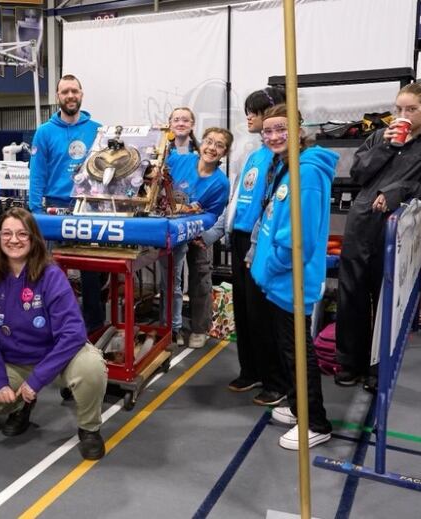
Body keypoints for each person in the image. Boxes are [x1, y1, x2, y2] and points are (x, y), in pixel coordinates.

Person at [0, 207, 108, 460]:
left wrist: (37, 379)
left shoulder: (50, 275)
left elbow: (73, 333)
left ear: (34, 238)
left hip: (58, 358)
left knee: (91, 367)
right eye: (7, 234)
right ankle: (21, 404)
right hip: (15, 360)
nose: (14, 240)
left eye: (22, 234)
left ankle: (89, 428)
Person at [336, 83, 421, 391]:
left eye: (410, 109)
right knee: (352, 293)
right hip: (362, 221)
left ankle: (377, 367)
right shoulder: (379, 136)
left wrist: (397, 193)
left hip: (396, 228)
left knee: (385, 297)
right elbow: (358, 175)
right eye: (399, 109)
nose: (403, 115)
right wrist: (385, 146)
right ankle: (350, 361)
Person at [249, 104, 338, 450]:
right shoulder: (288, 166)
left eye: (280, 129)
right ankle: (297, 403)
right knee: (287, 349)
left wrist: (270, 266)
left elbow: (296, 240)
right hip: (276, 278)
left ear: (299, 130)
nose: (272, 136)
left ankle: (315, 420)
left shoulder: (307, 173)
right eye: (267, 131)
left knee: (298, 350)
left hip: (290, 279)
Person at [200, 87, 289, 405]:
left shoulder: (282, 157)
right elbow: (237, 201)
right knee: (246, 311)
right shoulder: (254, 154)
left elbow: (272, 206)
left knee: (264, 313)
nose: (248, 116)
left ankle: (276, 381)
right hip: (238, 239)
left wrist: (257, 245)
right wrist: (217, 233)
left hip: (259, 241)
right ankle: (251, 370)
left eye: (254, 111)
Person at [27, 74, 106, 332]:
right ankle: (53, 322)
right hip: (54, 208)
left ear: (81, 94)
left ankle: (94, 323)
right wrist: (36, 210)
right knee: (50, 268)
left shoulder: (97, 129)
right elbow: (37, 172)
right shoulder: (44, 132)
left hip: (88, 206)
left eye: (75, 91)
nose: (70, 96)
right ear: (58, 97)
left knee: (91, 269)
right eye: (65, 92)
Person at [165, 127, 231, 349]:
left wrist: (203, 234)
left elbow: (215, 213)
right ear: (201, 143)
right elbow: (160, 167)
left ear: (225, 153)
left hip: (198, 232)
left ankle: (200, 328)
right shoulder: (182, 161)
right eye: (209, 141)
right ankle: (170, 326)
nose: (212, 148)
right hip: (171, 226)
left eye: (219, 145)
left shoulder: (220, 183)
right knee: (171, 278)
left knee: (200, 275)